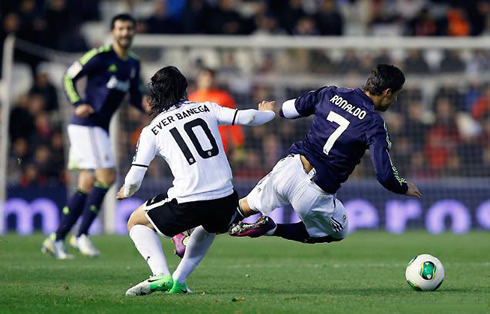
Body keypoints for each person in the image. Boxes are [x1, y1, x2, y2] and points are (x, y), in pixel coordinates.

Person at [117, 66, 275, 295]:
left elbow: (134, 178)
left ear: (155, 95)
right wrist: (269, 112)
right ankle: (179, 280)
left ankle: (160, 273)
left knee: (136, 221)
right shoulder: (206, 107)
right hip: (226, 200)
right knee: (209, 227)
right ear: (184, 89)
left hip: (188, 200)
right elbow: (249, 117)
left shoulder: (152, 130)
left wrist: (126, 192)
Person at [229, 64, 422, 243]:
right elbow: (384, 175)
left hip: (289, 168)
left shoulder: (330, 93)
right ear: (387, 92)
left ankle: (202, 231)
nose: (395, 99)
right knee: (337, 232)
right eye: (396, 95)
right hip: (314, 191)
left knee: (242, 207)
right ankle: (272, 229)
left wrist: (271, 110)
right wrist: (403, 187)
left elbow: (288, 110)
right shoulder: (374, 124)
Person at [41, 14, 145, 259]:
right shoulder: (99, 56)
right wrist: (77, 102)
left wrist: (150, 109)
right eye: (120, 28)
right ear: (113, 31)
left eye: (129, 28)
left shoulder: (132, 63)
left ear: (134, 32)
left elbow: (135, 95)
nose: (125, 33)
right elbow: (69, 76)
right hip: (86, 124)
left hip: (99, 128)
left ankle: (56, 239)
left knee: (87, 183)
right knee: (107, 176)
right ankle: (81, 235)